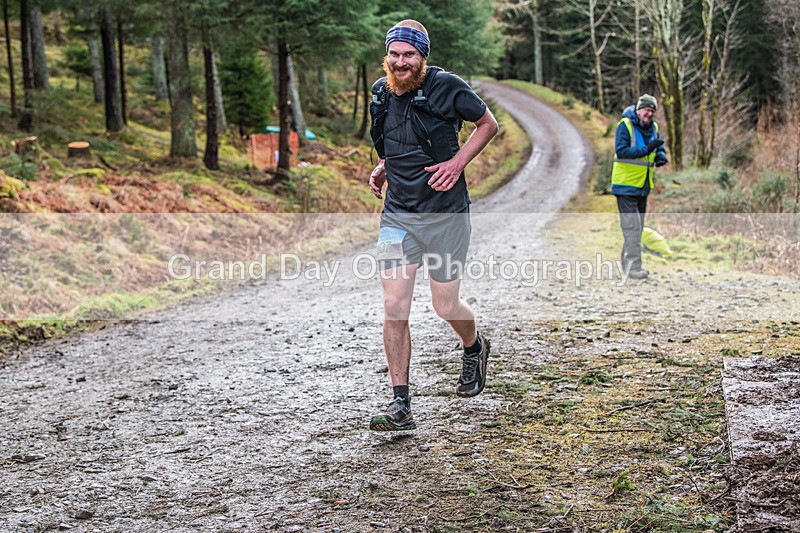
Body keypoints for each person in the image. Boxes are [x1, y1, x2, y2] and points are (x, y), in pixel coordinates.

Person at [367, 19, 499, 431]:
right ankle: (400, 404)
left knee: (445, 306)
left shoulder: (448, 86)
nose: (400, 62)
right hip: (397, 217)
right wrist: (384, 166)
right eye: (395, 54)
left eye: (409, 55)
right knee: (393, 305)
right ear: (387, 55)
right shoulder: (379, 94)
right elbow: (396, 139)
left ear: (422, 56)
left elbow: (488, 125)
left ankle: (474, 347)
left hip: (446, 215)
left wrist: (458, 162)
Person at [611, 93, 668, 280]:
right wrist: (647, 150)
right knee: (632, 227)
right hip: (625, 185)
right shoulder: (625, 126)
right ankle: (634, 269)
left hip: (643, 186)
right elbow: (622, 151)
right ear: (638, 109)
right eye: (646, 110)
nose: (649, 114)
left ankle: (627, 266)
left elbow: (657, 146)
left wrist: (660, 155)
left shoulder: (654, 127)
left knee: (637, 228)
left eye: (652, 111)